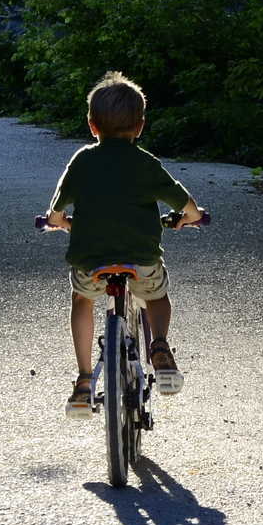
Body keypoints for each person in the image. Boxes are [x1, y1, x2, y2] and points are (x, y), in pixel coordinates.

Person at [43, 71, 204, 419]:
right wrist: (189, 217)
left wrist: (62, 223)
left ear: (92, 125)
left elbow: (55, 213)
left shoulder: (82, 161)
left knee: (82, 299)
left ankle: (85, 380)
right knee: (156, 295)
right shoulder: (146, 164)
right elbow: (187, 207)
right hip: (140, 260)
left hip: (92, 263)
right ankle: (159, 345)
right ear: (140, 126)